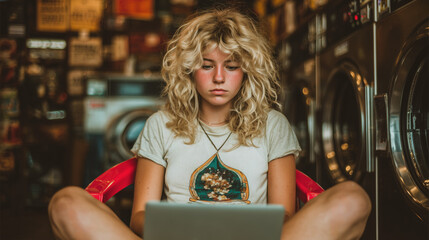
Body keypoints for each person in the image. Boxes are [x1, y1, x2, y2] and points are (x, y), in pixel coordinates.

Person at [48, 8, 371, 240]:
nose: (219, 77)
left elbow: (284, 218)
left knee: (352, 197)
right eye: (206, 65)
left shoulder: (274, 124)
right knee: (66, 203)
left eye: (231, 66)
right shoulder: (161, 125)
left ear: (247, 71)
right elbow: (140, 218)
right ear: (189, 69)